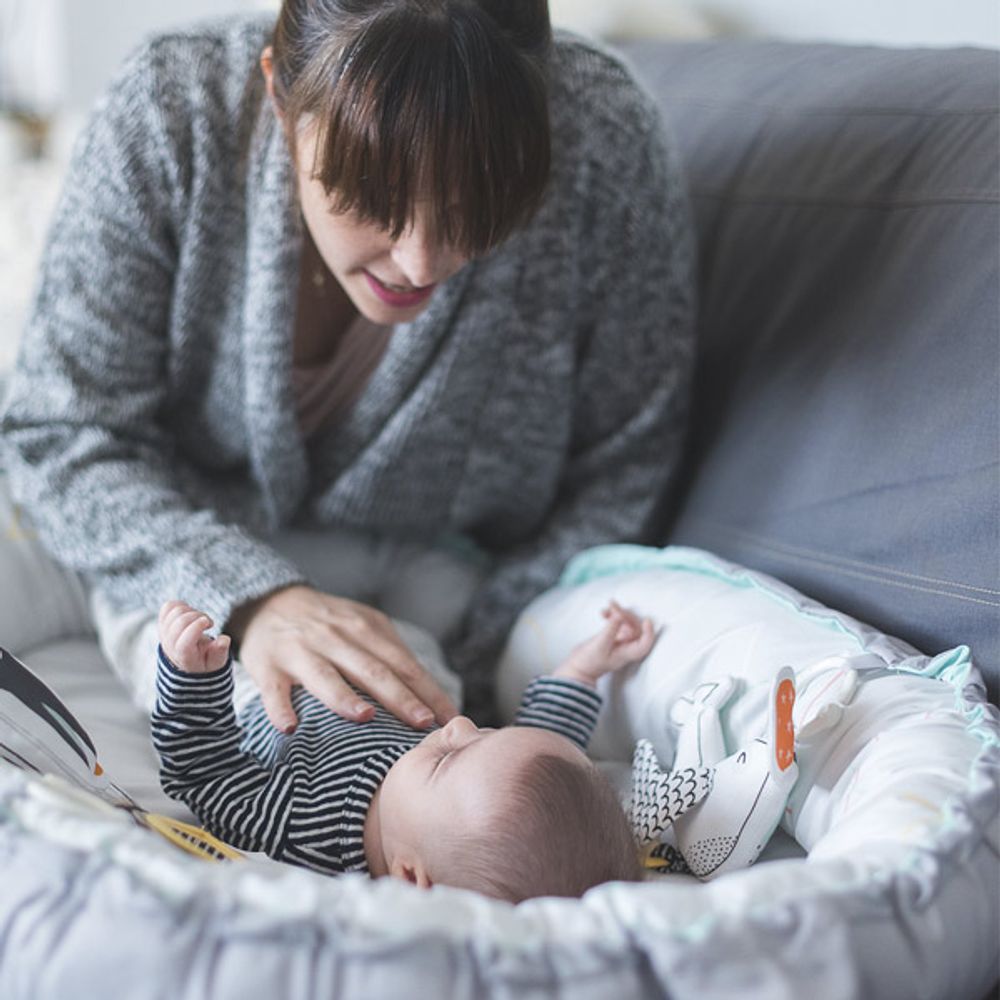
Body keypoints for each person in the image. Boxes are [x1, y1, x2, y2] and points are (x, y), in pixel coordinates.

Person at [0, 1, 695, 731]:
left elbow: (624, 464)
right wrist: (251, 596)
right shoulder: (175, 109)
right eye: (374, 197)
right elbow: (61, 429)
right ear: (278, 95)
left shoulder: (605, 139)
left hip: (437, 576)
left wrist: (480, 674)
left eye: (479, 203)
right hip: (171, 528)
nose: (422, 261)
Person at [151, 597, 657, 901]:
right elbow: (540, 748)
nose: (460, 727)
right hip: (388, 665)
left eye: (446, 758)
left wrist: (192, 681)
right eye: (486, 732)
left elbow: (201, 772)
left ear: (411, 877)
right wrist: (580, 673)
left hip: (252, 688)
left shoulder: (299, 832)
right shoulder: (453, 800)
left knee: (157, 629)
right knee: (430, 625)